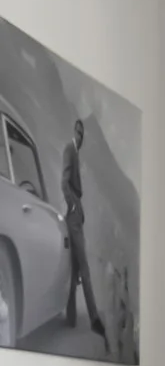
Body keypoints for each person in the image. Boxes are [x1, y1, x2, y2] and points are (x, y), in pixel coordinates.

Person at [60, 118, 100, 335]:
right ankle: (94, 317)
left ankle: (71, 317)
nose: (80, 137)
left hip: (76, 215)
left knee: (75, 268)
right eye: (78, 132)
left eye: (82, 134)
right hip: (74, 217)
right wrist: (73, 206)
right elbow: (63, 182)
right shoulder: (69, 149)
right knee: (84, 267)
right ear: (73, 132)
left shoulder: (75, 152)